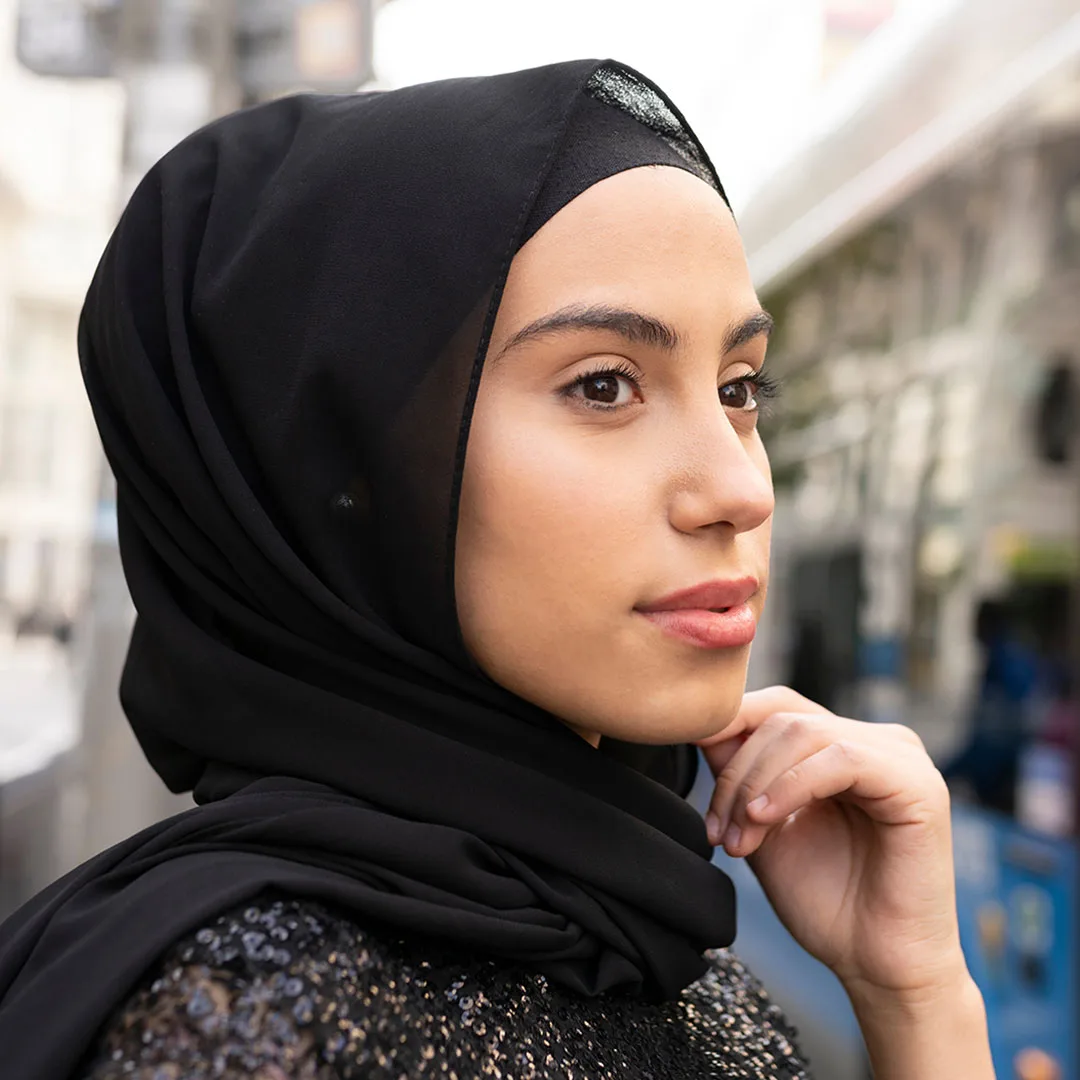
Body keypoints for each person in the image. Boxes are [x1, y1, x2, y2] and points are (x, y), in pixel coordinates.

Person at [0, 60, 993, 1079]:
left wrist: (914, 995)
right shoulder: (251, 1023)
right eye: (605, 385)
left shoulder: (666, 962)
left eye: (742, 388)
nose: (742, 489)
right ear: (358, 474)